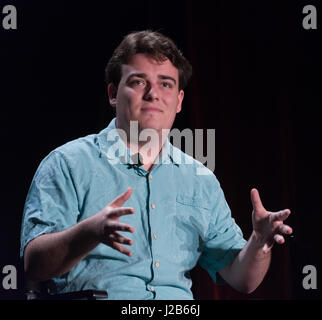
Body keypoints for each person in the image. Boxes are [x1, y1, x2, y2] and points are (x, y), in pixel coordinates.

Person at [20, 30, 292, 300]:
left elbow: (242, 278)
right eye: (139, 82)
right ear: (113, 94)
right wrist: (90, 232)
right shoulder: (68, 163)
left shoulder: (200, 179)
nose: (153, 94)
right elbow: (35, 263)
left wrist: (258, 242)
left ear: (179, 101)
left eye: (166, 84)